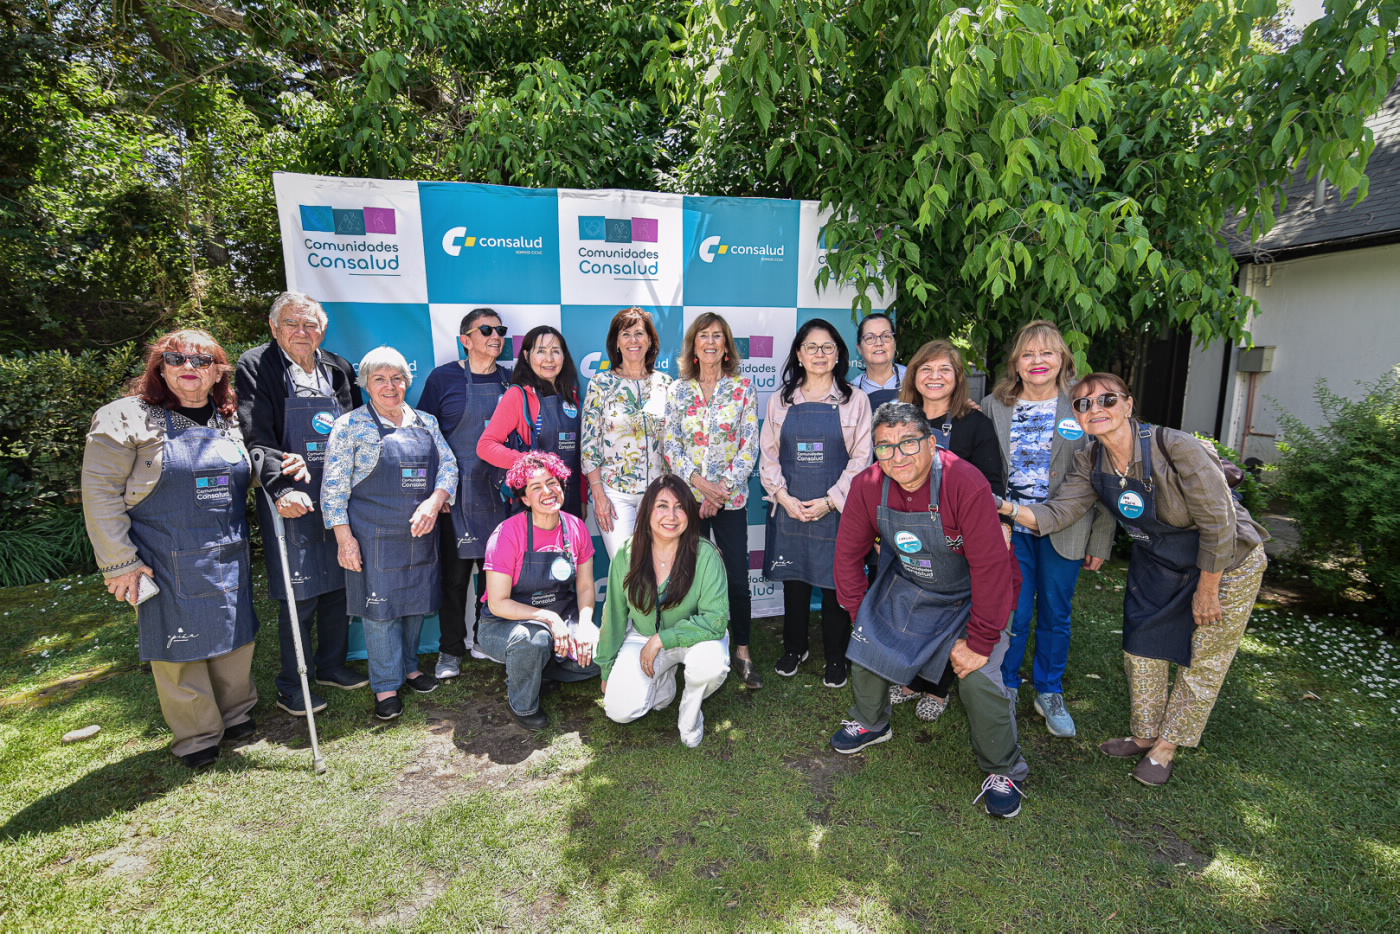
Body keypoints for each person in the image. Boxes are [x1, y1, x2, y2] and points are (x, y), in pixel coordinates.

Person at [998, 373, 1269, 786]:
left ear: (1128, 404)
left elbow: (1219, 523)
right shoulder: (1090, 460)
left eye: (1107, 400)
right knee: (1141, 647)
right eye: (1084, 404)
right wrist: (1004, 507)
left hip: (1226, 562)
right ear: (1076, 416)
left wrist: (1208, 589)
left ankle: (1166, 747)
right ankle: (1144, 735)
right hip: (1161, 559)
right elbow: (1059, 513)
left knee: (1204, 659)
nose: (1096, 409)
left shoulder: (1176, 446)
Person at [832, 402, 1028, 818]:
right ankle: (871, 722)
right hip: (914, 585)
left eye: (908, 443)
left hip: (978, 593)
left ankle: (1003, 769)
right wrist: (859, 615)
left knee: (978, 678)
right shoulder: (868, 485)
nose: (897, 456)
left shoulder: (964, 482)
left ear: (932, 443)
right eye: (885, 447)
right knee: (866, 641)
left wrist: (980, 642)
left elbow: (992, 570)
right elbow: (847, 556)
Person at [82, 329, 260, 768]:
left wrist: (278, 466)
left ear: (218, 371)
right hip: (162, 552)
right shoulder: (126, 418)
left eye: (201, 361)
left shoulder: (229, 418)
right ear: (160, 368)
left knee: (235, 632)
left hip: (226, 549)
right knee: (178, 643)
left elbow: (245, 471)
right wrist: (120, 563)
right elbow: (100, 494)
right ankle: (197, 734)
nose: (189, 368)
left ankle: (237, 712)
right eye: (177, 359)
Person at [235, 292, 367, 717]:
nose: (301, 332)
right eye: (292, 323)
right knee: (299, 591)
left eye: (310, 324)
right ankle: (293, 683)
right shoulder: (257, 365)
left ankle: (331, 665)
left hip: (338, 491)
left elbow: (357, 428)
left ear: (322, 330)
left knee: (339, 583)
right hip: (293, 492)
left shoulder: (338, 368)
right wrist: (279, 486)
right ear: (274, 327)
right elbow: (256, 433)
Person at [981, 319, 1113, 738]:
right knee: (1014, 612)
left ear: (1063, 359)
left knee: (1056, 613)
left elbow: (1107, 470)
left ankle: (1050, 690)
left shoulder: (1083, 405)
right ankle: (1007, 685)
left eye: (1047, 353)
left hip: (1068, 529)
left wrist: (1101, 538)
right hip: (1009, 530)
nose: (1037, 361)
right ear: (1016, 362)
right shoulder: (993, 405)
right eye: (1028, 354)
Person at [321, 347, 457, 721]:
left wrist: (435, 502)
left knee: (415, 603)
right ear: (365, 384)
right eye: (379, 379)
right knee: (380, 612)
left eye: (397, 378)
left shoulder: (426, 422)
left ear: (407, 382)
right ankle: (385, 686)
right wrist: (345, 539)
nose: (390, 386)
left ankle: (410, 668)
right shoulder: (349, 426)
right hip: (372, 536)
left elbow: (449, 467)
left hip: (420, 531)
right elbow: (333, 489)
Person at [888, 339, 1005, 722]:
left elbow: (992, 483)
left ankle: (938, 688)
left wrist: (996, 526)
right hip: (906, 531)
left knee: (950, 613)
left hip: (956, 539)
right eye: (926, 368)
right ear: (913, 376)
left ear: (957, 377)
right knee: (913, 608)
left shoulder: (975, 424)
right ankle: (911, 678)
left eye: (944, 370)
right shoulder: (899, 420)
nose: (934, 376)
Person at [761, 319, 872, 687]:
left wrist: (830, 501)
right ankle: (795, 648)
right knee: (794, 580)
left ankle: (836, 656)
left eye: (827, 347)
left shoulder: (855, 401)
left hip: (837, 509)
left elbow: (862, 459)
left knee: (835, 584)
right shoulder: (780, 400)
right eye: (812, 347)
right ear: (799, 354)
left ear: (838, 354)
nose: (819, 354)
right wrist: (783, 497)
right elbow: (768, 456)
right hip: (790, 506)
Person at [664, 313, 761, 688]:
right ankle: (695, 649)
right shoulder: (678, 390)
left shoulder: (743, 388)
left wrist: (719, 493)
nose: (710, 342)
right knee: (689, 578)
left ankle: (743, 651)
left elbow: (749, 445)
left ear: (726, 346)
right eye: (703, 335)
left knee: (736, 577)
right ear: (694, 345)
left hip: (730, 501)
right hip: (688, 503)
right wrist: (702, 486)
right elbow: (671, 445)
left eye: (717, 336)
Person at [598, 475, 731, 747]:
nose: (671, 516)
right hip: (642, 637)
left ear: (689, 513)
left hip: (696, 637)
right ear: (647, 511)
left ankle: (690, 715)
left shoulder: (705, 554)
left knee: (711, 665)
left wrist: (662, 639)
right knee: (619, 711)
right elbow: (614, 614)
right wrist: (606, 668)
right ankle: (664, 680)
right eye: (662, 506)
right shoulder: (627, 553)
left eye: (680, 507)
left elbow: (715, 621)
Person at [417, 307, 513, 679]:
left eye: (500, 330)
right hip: (455, 495)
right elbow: (424, 437)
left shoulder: (511, 381)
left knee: (496, 577)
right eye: (485, 330)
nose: (495, 336)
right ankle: (450, 650)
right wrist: (435, 492)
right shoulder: (443, 379)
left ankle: (486, 641)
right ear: (465, 340)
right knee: (454, 580)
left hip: (500, 495)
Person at [477, 452, 601, 730]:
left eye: (552, 482)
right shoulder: (507, 533)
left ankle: (540, 668)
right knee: (533, 640)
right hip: (504, 624)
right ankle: (522, 704)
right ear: (524, 498)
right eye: (536, 487)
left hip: (563, 616)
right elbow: (498, 603)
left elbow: (584, 586)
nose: (548, 491)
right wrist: (549, 618)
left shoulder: (576, 527)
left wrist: (585, 625)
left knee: (601, 653)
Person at [582, 307, 672, 558]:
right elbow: (589, 444)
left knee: (658, 565)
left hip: (658, 494)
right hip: (614, 493)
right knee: (626, 566)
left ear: (650, 341)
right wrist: (598, 494)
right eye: (626, 334)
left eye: (640, 333)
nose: (634, 340)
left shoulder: (665, 384)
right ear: (616, 343)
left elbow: (674, 442)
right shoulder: (600, 384)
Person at [478, 325, 588, 519]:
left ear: (564, 356)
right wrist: (527, 461)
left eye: (555, 351)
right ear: (527, 356)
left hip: (570, 496)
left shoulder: (571, 394)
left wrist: (582, 498)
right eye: (541, 351)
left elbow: (581, 452)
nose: (549, 359)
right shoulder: (518, 395)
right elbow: (485, 446)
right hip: (536, 498)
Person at [850, 312, 906, 409]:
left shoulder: (912, 378)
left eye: (886, 336)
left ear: (895, 343)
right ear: (859, 348)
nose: (879, 343)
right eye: (870, 338)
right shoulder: (852, 391)